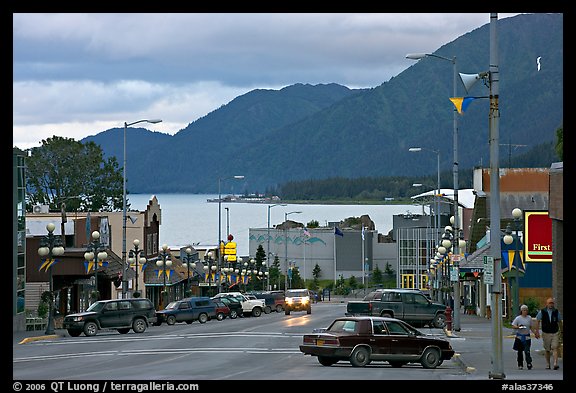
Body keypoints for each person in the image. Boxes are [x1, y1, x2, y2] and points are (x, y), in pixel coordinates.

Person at [535, 297, 563, 370]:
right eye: (550, 303)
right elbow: (537, 320)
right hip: (546, 332)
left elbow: (559, 321)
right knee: (547, 349)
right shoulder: (542, 311)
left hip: (555, 332)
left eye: (552, 303)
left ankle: (555, 363)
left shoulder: (556, 312)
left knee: (555, 347)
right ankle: (548, 364)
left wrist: (562, 330)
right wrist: (537, 331)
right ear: (546, 304)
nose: (551, 304)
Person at [512, 304, 537, 370]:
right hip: (520, 336)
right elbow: (513, 325)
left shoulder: (529, 318)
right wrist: (518, 327)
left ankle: (529, 363)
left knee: (527, 351)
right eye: (524, 310)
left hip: (527, 336)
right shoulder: (518, 318)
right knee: (520, 351)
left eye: (526, 310)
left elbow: (531, 327)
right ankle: (520, 364)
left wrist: (535, 333)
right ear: (521, 311)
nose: (525, 311)